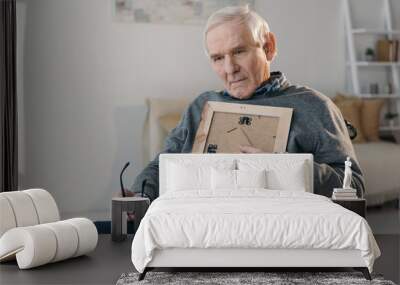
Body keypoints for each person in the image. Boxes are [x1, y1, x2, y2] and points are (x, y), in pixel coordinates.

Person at [130, 5, 365, 200]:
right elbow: (161, 167)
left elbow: (353, 187)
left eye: (239, 51)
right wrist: (139, 194)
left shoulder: (314, 106)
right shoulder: (201, 106)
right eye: (218, 58)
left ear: (268, 47)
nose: (230, 69)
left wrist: (283, 168)